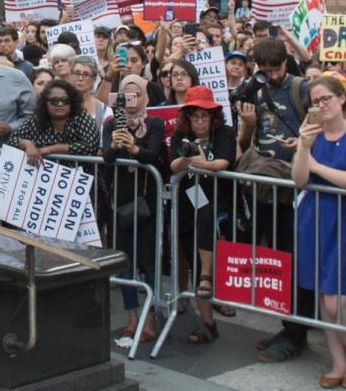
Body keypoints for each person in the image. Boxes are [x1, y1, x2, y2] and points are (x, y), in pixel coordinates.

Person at [238, 37, 316, 362]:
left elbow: (323, 132)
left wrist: (301, 143)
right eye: (265, 70)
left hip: (295, 187)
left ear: (287, 62)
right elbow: (246, 140)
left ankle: (297, 333)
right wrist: (247, 125)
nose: (271, 76)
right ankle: (288, 326)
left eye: (277, 69)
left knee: (295, 260)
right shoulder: (254, 89)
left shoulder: (302, 89)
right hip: (264, 185)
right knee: (277, 260)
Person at [292, 76, 346, 389]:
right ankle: (337, 360)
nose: (321, 105)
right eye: (316, 101)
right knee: (323, 298)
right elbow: (299, 179)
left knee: (338, 302)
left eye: (326, 98)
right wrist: (303, 147)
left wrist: (316, 165)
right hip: (314, 217)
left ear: (341, 99)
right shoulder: (312, 136)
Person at [169, 86, 237, 344]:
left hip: (219, 200)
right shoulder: (180, 135)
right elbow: (173, 165)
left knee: (207, 218)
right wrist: (187, 158)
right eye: (195, 116)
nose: (199, 121)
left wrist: (203, 164)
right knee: (194, 261)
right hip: (188, 200)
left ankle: (208, 277)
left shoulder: (225, 133)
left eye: (204, 116)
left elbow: (225, 162)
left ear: (213, 117)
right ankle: (208, 324)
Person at [103, 75, 168, 342]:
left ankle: (150, 317)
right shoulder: (110, 123)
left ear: (145, 97)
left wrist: (134, 148)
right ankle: (132, 317)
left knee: (149, 263)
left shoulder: (154, 123)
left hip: (147, 200)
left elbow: (155, 156)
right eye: (125, 96)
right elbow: (104, 159)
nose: (130, 101)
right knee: (125, 263)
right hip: (120, 201)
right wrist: (115, 145)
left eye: (136, 95)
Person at [8, 79, 99, 166]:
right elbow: (12, 139)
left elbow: (91, 145)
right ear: (45, 103)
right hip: (45, 177)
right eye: (54, 101)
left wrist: (50, 149)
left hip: (81, 175)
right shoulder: (37, 119)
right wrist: (27, 144)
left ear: (72, 102)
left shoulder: (80, 116)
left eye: (65, 100)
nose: (60, 104)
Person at [71, 56, 108, 146]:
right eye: (77, 73)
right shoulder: (60, 105)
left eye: (86, 74)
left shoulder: (105, 111)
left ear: (94, 79)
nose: (80, 78)